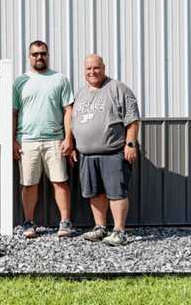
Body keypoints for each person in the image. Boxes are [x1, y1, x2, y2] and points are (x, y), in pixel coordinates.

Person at [71, 54, 140, 246]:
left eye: (96, 68)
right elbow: (74, 122)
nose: (92, 72)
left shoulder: (118, 89)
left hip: (113, 152)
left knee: (116, 192)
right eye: (88, 69)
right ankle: (100, 228)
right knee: (95, 193)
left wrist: (130, 143)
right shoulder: (81, 93)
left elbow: (132, 119)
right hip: (86, 154)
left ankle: (119, 231)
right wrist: (75, 146)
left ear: (104, 68)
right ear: (84, 71)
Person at [13, 40, 75, 238]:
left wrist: (68, 139)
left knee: (60, 181)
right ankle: (29, 223)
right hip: (27, 141)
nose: (39, 57)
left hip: (55, 140)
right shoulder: (20, 81)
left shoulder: (60, 79)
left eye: (43, 53)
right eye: (35, 54)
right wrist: (13, 139)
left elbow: (68, 111)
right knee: (29, 184)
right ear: (29, 56)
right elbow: (13, 112)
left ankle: (65, 222)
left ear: (48, 55)